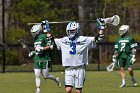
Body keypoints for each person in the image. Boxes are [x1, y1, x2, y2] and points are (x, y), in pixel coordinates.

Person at [54, 21, 104, 93]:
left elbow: (98, 38)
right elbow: (51, 39)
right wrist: (46, 29)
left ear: (77, 30)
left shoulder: (83, 39)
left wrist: (101, 28)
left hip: (80, 68)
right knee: (68, 90)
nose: (70, 32)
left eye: (72, 31)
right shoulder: (63, 40)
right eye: (69, 31)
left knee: (78, 91)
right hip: (68, 69)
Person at [28, 24, 61, 93]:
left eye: (34, 32)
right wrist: (33, 52)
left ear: (38, 31)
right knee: (37, 74)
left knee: (46, 76)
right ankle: (38, 89)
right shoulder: (35, 39)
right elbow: (36, 49)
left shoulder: (44, 36)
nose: (33, 34)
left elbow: (50, 46)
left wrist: (42, 49)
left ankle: (56, 79)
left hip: (45, 59)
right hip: (37, 59)